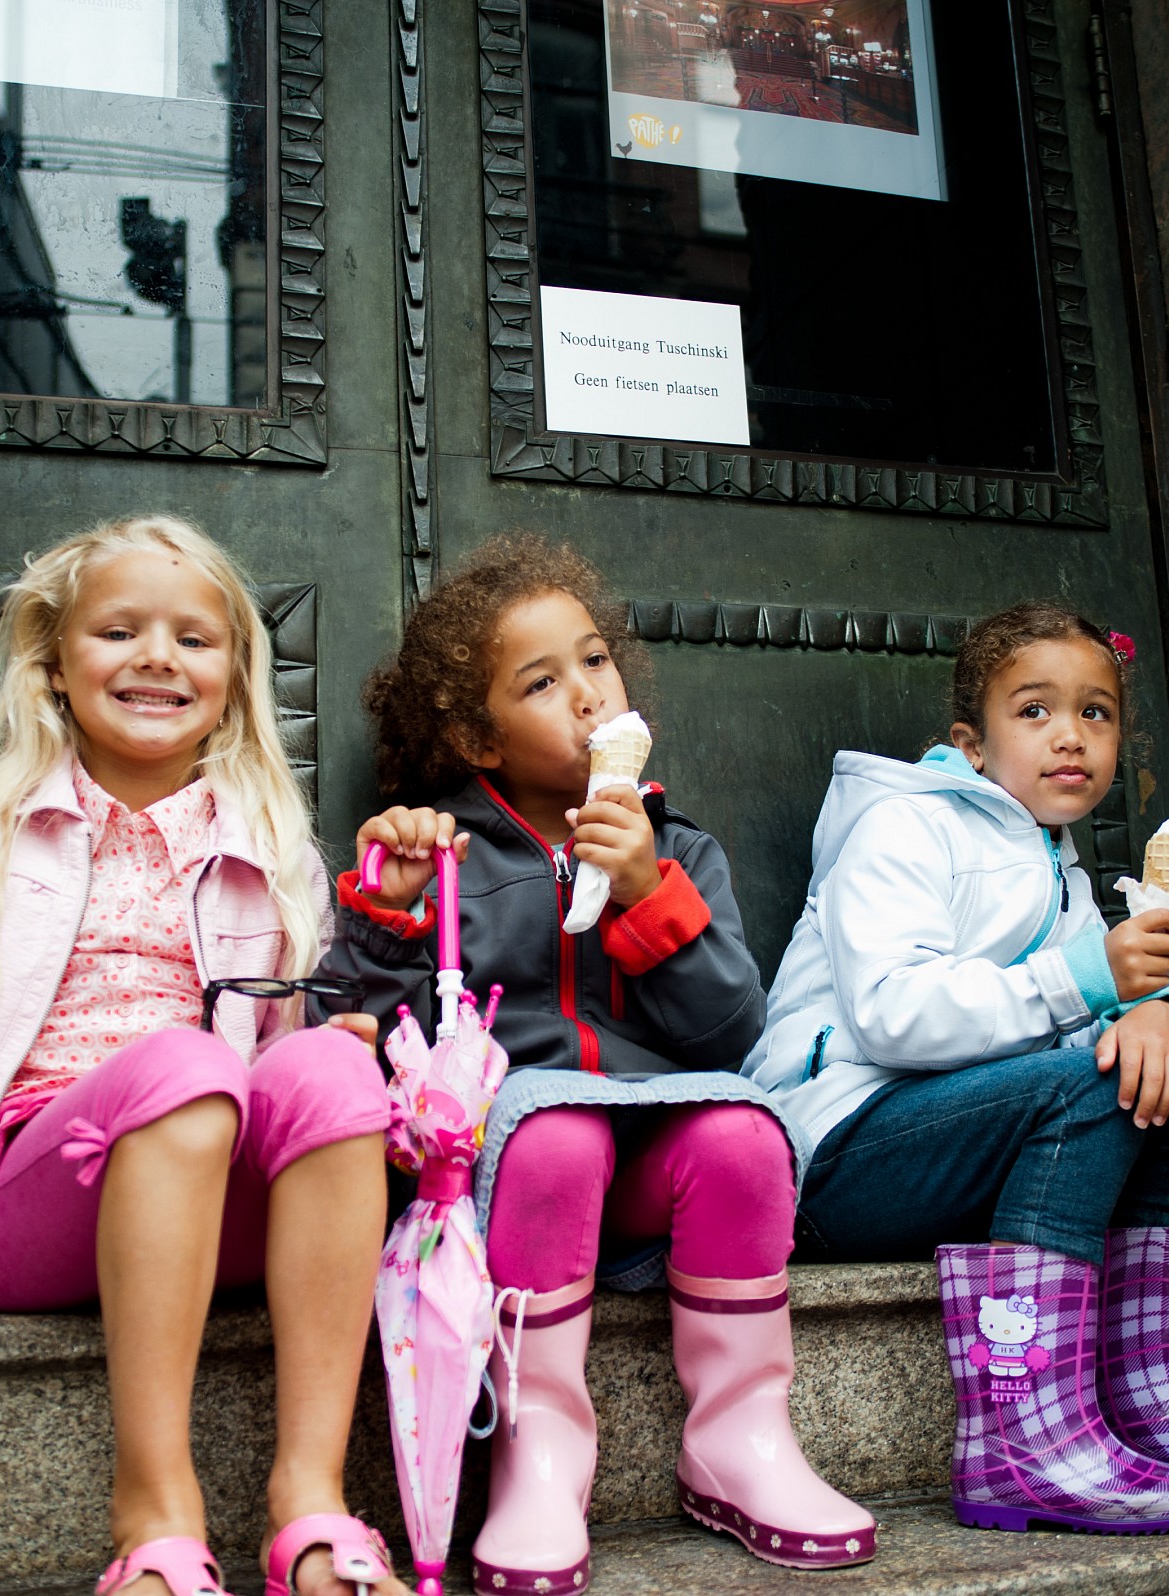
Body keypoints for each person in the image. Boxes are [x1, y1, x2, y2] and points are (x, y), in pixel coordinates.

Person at [0, 516, 406, 1596]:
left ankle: (314, 1511)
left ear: (236, 676)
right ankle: (153, 1516)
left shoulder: (269, 841)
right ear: (56, 668)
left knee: (330, 1072)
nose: (158, 657)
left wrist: (348, 1053)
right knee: (188, 1070)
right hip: (35, 1204)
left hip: (213, 1194)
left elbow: (285, 1065)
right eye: (119, 631)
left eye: (194, 640)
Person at [315, 536, 875, 1593]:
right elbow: (362, 1035)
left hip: (655, 1174)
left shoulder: (680, 850)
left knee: (747, 1133)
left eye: (594, 664)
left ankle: (740, 1439)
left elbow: (726, 1037)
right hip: (514, 1178)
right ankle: (542, 1454)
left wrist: (644, 891)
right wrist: (389, 917)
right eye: (541, 682)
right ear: (479, 735)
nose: (585, 695)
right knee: (560, 1130)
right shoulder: (449, 858)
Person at [745, 601, 1169, 1535]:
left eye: (1096, 713)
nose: (1071, 736)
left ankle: (1149, 1403)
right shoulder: (904, 829)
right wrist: (1088, 981)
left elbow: (1091, 1014)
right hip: (838, 1151)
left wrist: (1158, 1018)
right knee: (1090, 1089)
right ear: (973, 745)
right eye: (1036, 710)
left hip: (959, 1143)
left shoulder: (1056, 862)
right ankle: (1021, 1438)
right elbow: (893, 1015)